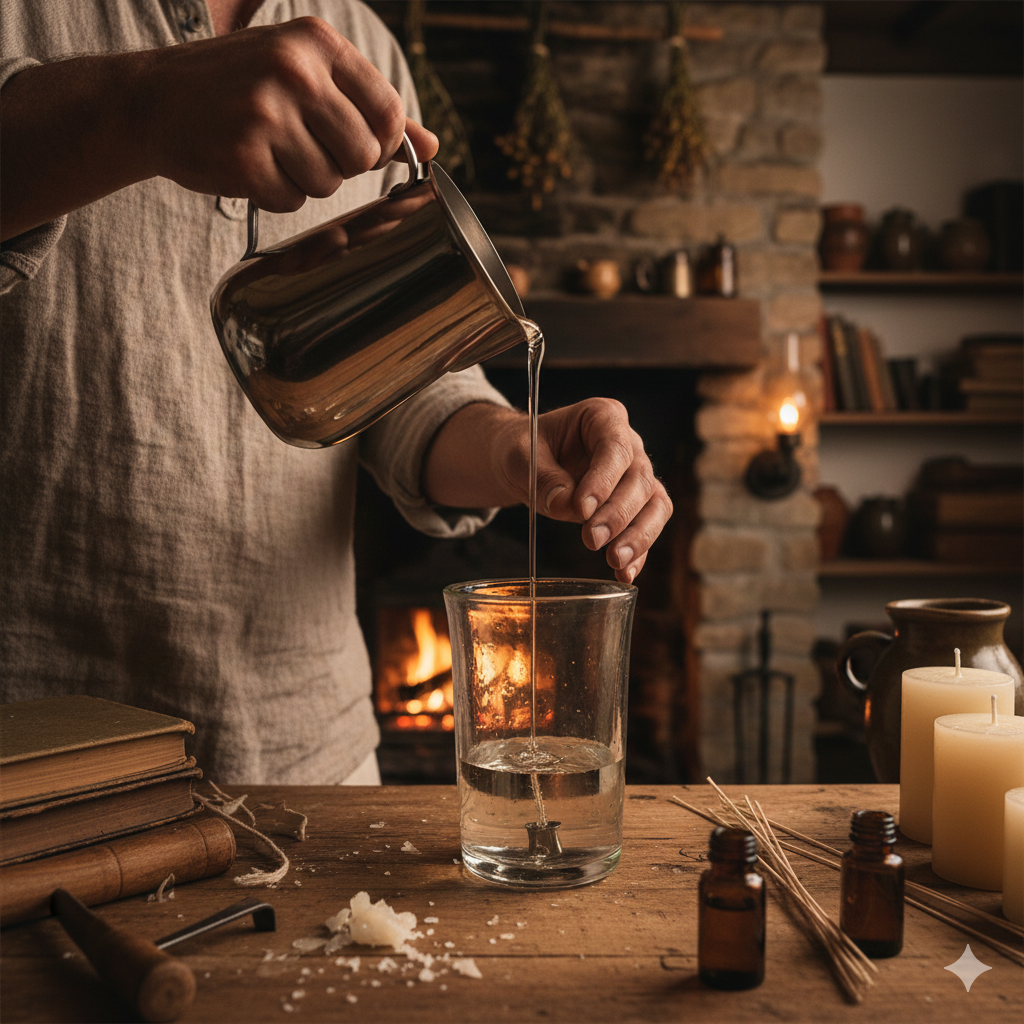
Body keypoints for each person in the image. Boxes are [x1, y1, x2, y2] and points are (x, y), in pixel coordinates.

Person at [0, 0, 673, 786]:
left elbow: (403, 381)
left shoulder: (362, 45)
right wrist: (141, 104)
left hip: (312, 748)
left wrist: (513, 448)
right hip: (43, 756)